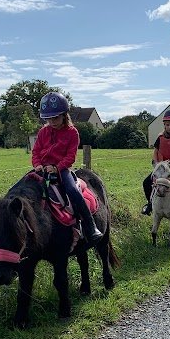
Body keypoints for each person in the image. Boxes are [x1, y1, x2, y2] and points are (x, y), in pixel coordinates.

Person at [32, 91, 104, 245]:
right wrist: (37, 165)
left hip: (62, 170)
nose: (52, 121)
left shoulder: (72, 133)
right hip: (41, 169)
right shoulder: (43, 132)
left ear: (65, 115)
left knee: (73, 190)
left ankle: (90, 226)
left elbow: (71, 156)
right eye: (48, 118)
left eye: (55, 117)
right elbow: (36, 151)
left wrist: (56, 168)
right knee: (24, 186)